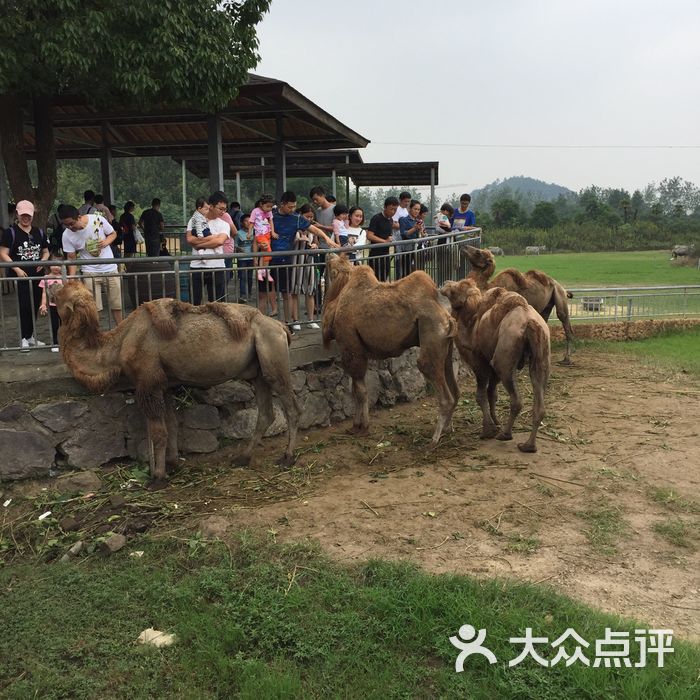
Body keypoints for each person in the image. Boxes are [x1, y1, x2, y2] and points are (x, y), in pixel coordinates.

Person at [272, 192, 333, 330]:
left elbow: (313, 229)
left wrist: (327, 238)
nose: (292, 209)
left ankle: (289, 323)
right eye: (290, 207)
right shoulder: (272, 216)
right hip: (272, 257)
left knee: (287, 292)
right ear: (282, 204)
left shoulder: (297, 218)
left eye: (294, 207)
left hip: (288, 259)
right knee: (273, 291)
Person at [59, 203, 123, 325]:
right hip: (90, 271)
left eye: (71, 223)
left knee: (116, 304)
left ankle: (121, 330)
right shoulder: (66, 235)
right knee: (93, 307)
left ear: (79, 217)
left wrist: (105, 242)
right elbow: (71, 257)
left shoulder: (97, 220)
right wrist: (71, 278)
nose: (70, 227)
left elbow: (113, 233)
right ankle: (96, 334)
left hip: (110, 268)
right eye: (66, 225)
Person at [0, 199, 50, 350]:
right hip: (20, 276)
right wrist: (16, 268)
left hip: (37, 274)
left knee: (35, 304)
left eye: (28, 215)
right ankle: (23, 337)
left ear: (32, 215)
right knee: (24, 306)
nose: (26, 218)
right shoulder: (11, 233)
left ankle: (30, 335)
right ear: (18, 214)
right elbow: (3, 253)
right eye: (23, 215)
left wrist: (43, 261)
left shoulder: (39, 232)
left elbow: (46, 251)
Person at [185, 192, 230, 305]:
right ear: (211, 206)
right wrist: (212, 240)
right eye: (221, 209)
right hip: (196, 266)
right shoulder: (194, 220)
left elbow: (220, 241)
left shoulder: (225, 224)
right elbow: (189, 239)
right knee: (194, 303)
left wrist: (199, 244)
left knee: (217, 304)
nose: (223, 212)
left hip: (217, 266)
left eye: (225, 209)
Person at [290, 204, 320, 328]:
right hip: (296, 261)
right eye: (307, 217)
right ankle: (295, 320)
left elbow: (316, 242)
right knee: (295, 290)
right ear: (301, 215)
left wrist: (314, 245)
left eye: (311, 217)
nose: (308, 219)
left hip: (309, 260)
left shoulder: (312, 228)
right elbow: (288, 243)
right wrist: (298, 240)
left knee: (310, 290)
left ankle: (311, 319)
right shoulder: (293, 226)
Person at [250, 193, 277, 316]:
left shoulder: (269, 214)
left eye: (271, 207)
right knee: (266, 250)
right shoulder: (255, 213)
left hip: (266, 235)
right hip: (260, 235)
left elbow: (271, 221)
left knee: (267, 251)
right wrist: (250, 232)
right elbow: (251, 224)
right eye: (267, 207)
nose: (269, 209)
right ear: (261, 205)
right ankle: (262, 270)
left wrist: (273, 232)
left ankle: (263, 269)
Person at [367, 196, 398, 282]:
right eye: (391, 209)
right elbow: (369, 235)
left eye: (395, 210)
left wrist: (390, 240)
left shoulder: (391, 220)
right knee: (374, 281)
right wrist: (384, 241)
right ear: (385, 207)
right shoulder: (376, 218)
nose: (393, 212)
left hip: (386, 255)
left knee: (384, 280)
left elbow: (388, 235)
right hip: (375, 255)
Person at [38, 253, 64, 352]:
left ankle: (65, 342)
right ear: (49, 265)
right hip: (53, 305)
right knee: (54, 325)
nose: (56, 267)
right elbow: (44, 293)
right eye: (53, 264)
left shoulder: (64, 277)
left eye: (58, 265)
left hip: (63, 306)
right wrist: (43, 304)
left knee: (64, 325)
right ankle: (55, 342)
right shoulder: (46, 277)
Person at [397, 199, 424, 278]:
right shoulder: (403, 219)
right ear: (410, 209)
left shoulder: (418, 221)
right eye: (415, 209)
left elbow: (423, 235)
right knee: (406, 271)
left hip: (416, 249)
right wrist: (414, 228)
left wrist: (422, 231)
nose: (417, 211)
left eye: (418, 209)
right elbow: (403, 234)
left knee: (415, 271)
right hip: (406, 249)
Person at [235, 212, 254, 301]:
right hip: (242, 258)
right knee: (242, 277)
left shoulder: (254, 232)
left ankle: (249, 293)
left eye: (249, 221)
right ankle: (243, 295)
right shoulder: (238, 233)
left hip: (251, 258)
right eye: (246, 221)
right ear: (242, 223)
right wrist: (239, 249)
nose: (248, 223)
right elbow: (235, 245)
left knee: (250, 277)